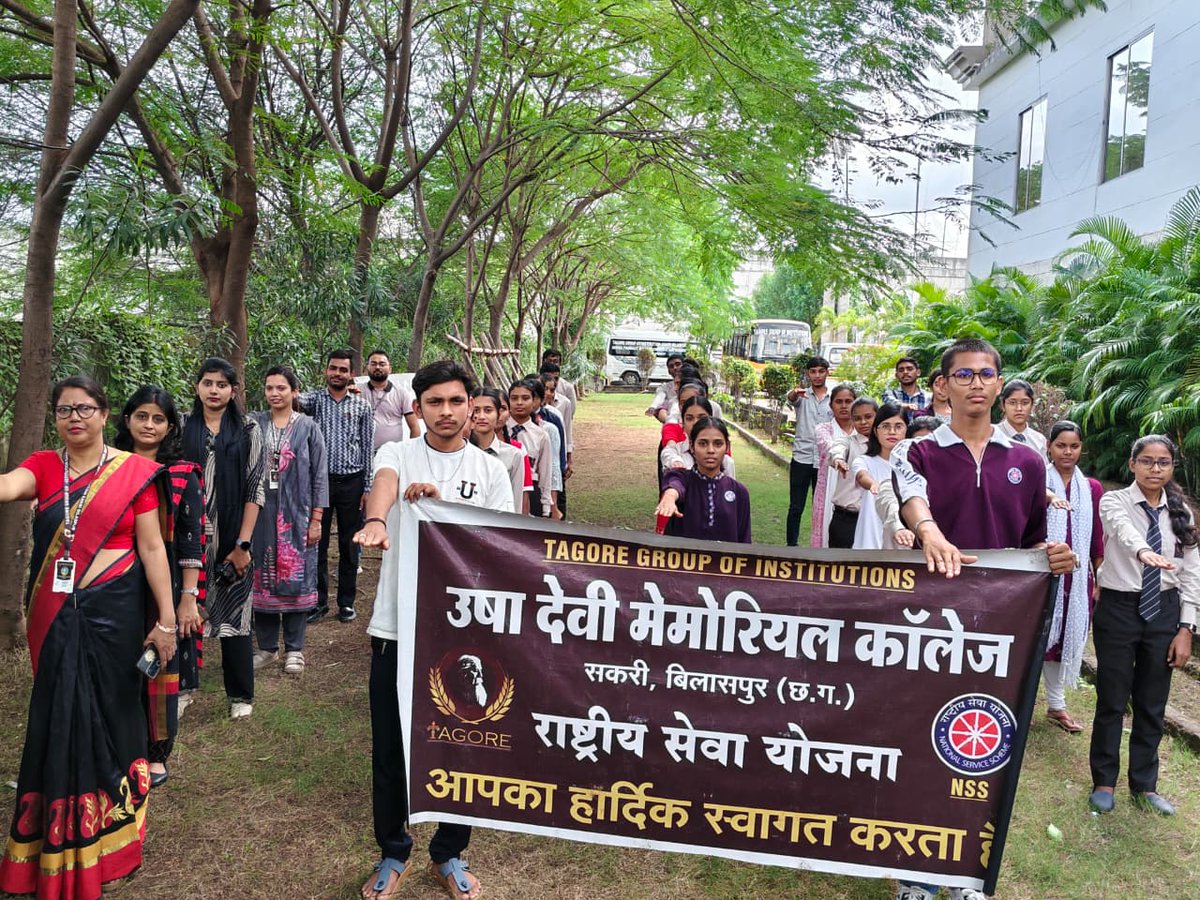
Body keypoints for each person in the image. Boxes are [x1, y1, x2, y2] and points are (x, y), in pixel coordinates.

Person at [890, 338, 1077, 900]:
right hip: (929, 624)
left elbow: (1031, 541)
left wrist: (1054, 555)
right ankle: (917, 876)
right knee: (923, 745)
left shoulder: (1027, 460)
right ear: (941, 386)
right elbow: (911, 499)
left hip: (1002, 632)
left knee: (984, 749)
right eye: (963, 374)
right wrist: (929, 532)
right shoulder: (918, 452)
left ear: (1000, 384)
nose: (976, 383)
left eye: (987, 373)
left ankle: (970, 874)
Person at [0, 376, 176, 899]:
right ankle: (50, 839)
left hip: (116, 614)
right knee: (57, 711)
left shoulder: (134, 473)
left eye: (85, 409)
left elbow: (151, 551)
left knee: (113, 711)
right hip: (56, 616)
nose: (74, 417)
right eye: (63, 410)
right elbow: (8, 486)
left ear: (104, 414)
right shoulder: (44, 467)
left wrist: (165, 620)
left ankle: (113, 836)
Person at [354, 360, 512, 900]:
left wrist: (443, 513)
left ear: (473, 406)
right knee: (392, 747)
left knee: (461, 744)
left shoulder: (491, 471)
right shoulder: (397, 453)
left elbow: (499, 547)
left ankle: (450, 851)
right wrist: (379, 519)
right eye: (434, 403)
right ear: (417, 407)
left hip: (464, 636)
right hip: (397, 627)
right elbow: (384, 486)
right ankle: (392, 851)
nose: (445, 412)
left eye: (455, 401)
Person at [1089, 434, 1197, 816]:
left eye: (1163, 462)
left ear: (1171, 467)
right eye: (1147, 461)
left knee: (1153, 702)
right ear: (1132, 464)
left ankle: (1145, 785)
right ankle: (1104, 780)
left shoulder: (1181, 512)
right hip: (1119, 608)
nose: (1155, 469)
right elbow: (1120, 530)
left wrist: (1186, 628)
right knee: (1112, 699)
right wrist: (1144, 552)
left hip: (1164, 613)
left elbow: (1192, 575)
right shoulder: (1113, 500)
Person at [114, 385, 206, 788]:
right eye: (142, 416)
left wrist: (188, 598)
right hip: (112, 582)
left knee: (158, 661)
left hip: (162, 584)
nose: (149, 425)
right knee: (115, 662)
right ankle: (117, 745)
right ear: (127, 419)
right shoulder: (108, 467)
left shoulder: (182, 473)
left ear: (170, 427)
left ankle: (155, 754)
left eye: (158, 419)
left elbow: (191, 539)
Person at [181, 357, 265, 720]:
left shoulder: (247, 429)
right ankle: (182, 688)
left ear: (234, 391)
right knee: (186, 611)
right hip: (188, 537)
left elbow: (255, 488)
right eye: (207, 383)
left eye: (221, 384)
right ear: (197, 386)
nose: (214, 390)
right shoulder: (182, 427)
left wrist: (243, 544)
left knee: (236, 615)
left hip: (234, 537)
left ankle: (240, 695)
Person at [250, 366, 329, 676]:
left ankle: (295, 649)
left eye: (281, 387)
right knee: (262, 580)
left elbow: (320, 475)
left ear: (295, 391)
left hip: (299, 516)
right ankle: (267, 648)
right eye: (269, 387)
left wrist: (317, 519)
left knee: (297, 578)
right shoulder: (254, 424)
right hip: (260, 516)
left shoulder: (309, 428)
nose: (274, 393)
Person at [300, 349, 375, 623]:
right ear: (326, 371)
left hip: (352, 482)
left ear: (351, 374)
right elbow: (292, 398)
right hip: (319, 482)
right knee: (317, 544)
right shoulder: (315, 401)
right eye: (333, 368)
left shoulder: (362, 406)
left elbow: (368, 449)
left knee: (349, 544)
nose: (337, 374)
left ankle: (346, 602)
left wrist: (367, 487)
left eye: (343, 370)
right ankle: (318, 601)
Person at [1041, 421, 1104, 733]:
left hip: (1077, 579)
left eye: (1074, 446)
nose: (1067, 452)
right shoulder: (1037, 481)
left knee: (1064, 637)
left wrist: (1098, 577)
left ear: (1081, 448)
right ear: (1049, 448)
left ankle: (1057, 705)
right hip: (1040, 573)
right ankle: (1018, 701)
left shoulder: (1090, 488)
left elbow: (1096, 538)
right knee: (1035, 639)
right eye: (1061, 445)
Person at [655, 417, 751, 543]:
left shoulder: (739, 492)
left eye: (718, 444)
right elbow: (675, 484)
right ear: (692, 446)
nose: (710, 450)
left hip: (724, 562)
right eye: (703, 443)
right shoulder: (683, 478)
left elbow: (744, 541)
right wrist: (669, 497)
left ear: (727, 447)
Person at [851, 404, 914, 550]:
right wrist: (873, 484)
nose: (892, 432)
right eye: (885, 426)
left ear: (906, 430)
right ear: (875, 431)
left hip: (903, 541)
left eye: (898, 426)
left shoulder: (914, 466)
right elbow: (861, 475)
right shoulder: (864, 461)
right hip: (869, 539)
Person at [785, 356, 832, 547]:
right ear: (808, 374)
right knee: (796, 506)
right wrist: (793, 393)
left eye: (821, 371)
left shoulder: (834, 397)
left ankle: (820, 544)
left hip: (825, 460)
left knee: (821, 507)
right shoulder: (802, 396)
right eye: (813, 371)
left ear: (827, 372)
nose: (817, 375)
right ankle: (791, 545)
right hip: (802, 458)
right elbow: (791, 398)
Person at [825, 398, 878, 549]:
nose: (863, 422)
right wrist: (838, 459)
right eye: (857, 418)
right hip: (846, 519)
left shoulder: (886, 447)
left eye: (868, 417)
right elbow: (836, 449)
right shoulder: (848, 442)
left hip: (875, 521)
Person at [810, 385, 857, 548]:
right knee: (825, 531)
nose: (844, 406)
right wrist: (838, 457)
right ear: (831, 406)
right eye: (839, 402)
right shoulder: (824, 429)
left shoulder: (862, 431)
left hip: (856, 490)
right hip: (829, 487)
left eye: (848, 401)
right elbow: (828, 446)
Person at [471, 386, 531, 514]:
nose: (481, 416)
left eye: (488, 410)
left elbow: (516, 502)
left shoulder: (514, 455)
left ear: (498, 414)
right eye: (476, 410)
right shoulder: (460, 452)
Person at [505, 379, 553, 517]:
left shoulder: (541, 435)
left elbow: (545, 473)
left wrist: (546, 507)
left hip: (531, 490)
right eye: (514, 398)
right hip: (504, 486)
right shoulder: (499, 430)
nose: (519, 403)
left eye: (525, 398)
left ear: (534, 402)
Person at [365, 349, 420, 448]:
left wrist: (412, 452)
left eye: (382, 364)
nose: (377, 367)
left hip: (392, 455)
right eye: (373, 364)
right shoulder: (357, 392)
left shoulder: (401, 393)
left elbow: (414, 427)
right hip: (362, 454)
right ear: (367, 367)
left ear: (390, 369)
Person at [996, 379, 1046, 453]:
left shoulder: (1039, 440)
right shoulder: (993, 436)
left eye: (1025, 403)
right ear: (1003, 405)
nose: (1019, 409)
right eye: (1012, 403)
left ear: (1032, 406)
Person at [881, 356, 926, 421]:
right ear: (896, 375)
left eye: (909, 369)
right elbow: (889, 402)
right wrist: (904, 406)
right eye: (901, 370)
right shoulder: (890, 394)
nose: (905, 372)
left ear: (918, 372)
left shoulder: (928, 396)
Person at [646, 352, 684, 421]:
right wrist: (653, 407)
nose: (675, 368)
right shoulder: (665, 387)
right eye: (671, 366)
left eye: (678, 364)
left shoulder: (694, 384)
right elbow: (660, 396)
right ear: (668, 371)